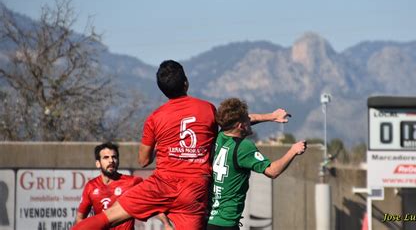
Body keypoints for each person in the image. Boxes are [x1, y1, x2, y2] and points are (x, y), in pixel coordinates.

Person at [72, 60, 218, 230]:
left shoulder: (155, 117)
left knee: (109, 217)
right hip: (194, 189)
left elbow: (143, 161)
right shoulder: (208, 109)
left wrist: (166, 147)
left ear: (162, 89)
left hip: (161, 185)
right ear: (186, 83)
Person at [207, 98, 307, 230]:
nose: (250, 119)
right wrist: (293, 150)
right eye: (246, 119)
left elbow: (249, 119)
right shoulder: (243, 147)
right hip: (227, 224)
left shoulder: (219, 135)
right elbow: (272, 171)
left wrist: (272, 116)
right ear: (240, 125)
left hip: (210, 220)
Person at [74, 142, 143, 229]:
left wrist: (166, 223)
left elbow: (154, 201)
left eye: (114, 157)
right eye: (106, 157)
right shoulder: (91, 186)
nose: (111, 160)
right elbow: (80, 219)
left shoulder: (132, 182)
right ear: (98, 163)